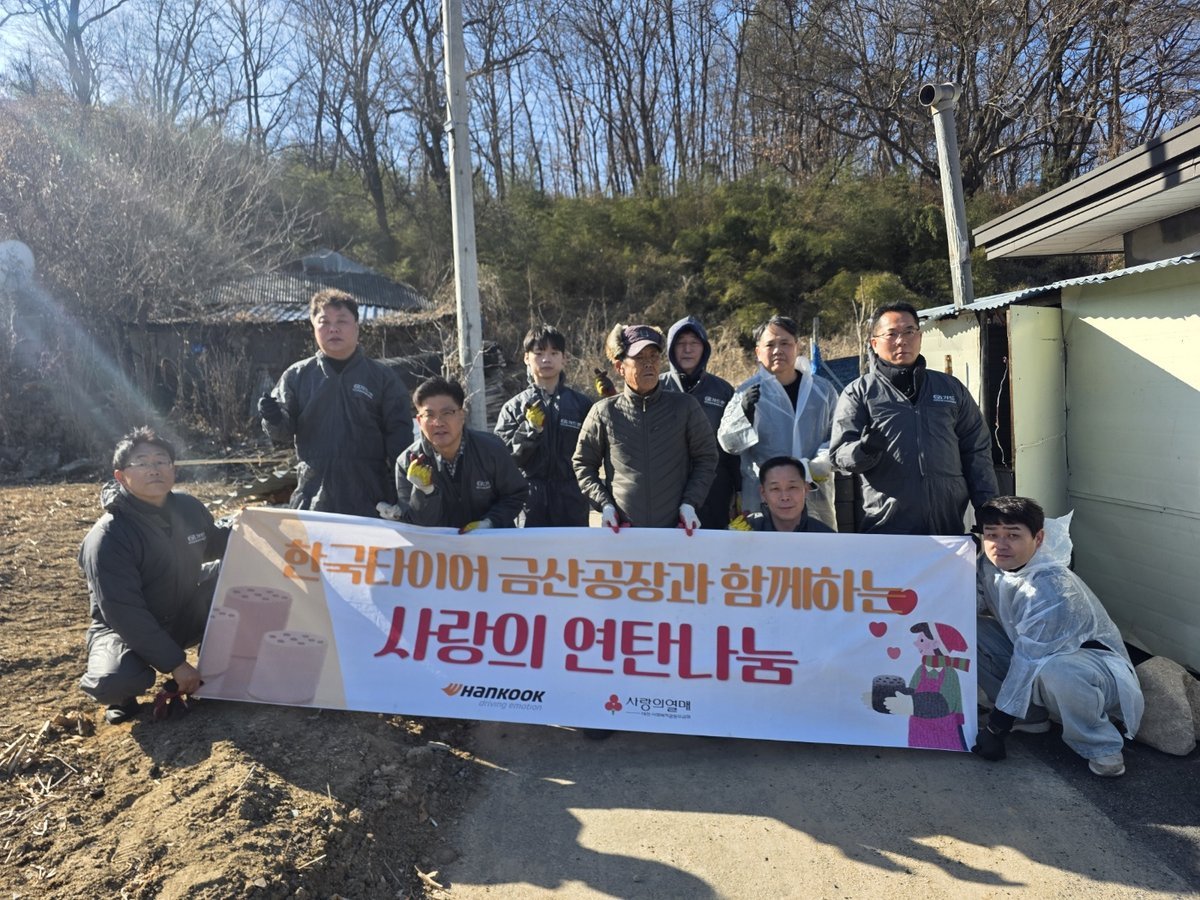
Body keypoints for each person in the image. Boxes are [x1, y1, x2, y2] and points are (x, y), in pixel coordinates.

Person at [972, 496, 1144, 777]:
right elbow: (973, 603)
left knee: (1058, 668)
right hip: (1035, 657)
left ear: (1038, 538)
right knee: (968, 630)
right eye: (992, 534)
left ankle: (1101, 745)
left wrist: (996, 727)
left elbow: (1030, 660)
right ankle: (1030, 717)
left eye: (1013, 535)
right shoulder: (989, 565)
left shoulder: (1052, 588)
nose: (1000, 544)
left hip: (1093, 671)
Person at [78, 428, 230, 724]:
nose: (154, 469)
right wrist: (177, 664)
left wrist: (252, 525)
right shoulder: (109, 535)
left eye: (161, 461)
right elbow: (124, 613)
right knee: (114, 681)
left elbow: (213, 543)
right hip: (125, 629)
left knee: (233, 575)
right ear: (121, 476)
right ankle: (124, 698)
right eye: (142, 462)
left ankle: (217, 669)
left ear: (173, 469)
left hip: (182, 610)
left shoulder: (188, 508)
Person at [829, 301, 997, 535]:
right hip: (887, 528)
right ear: (874, 344)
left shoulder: (950, 388)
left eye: (909, 331)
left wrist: (988, 508)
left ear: (920, 337)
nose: (902, 340)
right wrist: (864, 450)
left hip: (948, 524)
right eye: (891, 334)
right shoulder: (859, 393)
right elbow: (839, 455)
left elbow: (977, 450)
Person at [259, 288, 412, 518]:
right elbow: (281, 433)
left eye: (341, 321)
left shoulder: (382, 378)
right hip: (313, 496)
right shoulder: (297, 376)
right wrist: (272, 417)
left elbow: (400, 441)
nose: (333, 328)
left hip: (372, 498)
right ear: (313, 327)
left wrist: (403, 499)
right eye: (324, 322)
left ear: (357, 326)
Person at [573, 323, 717, 531]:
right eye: (639, 358)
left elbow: (706, 457)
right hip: (623, 533)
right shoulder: (603, 412)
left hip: (676, 532)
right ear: (620, 367)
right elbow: (583, 464)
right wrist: (605, 505)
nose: (649, 363)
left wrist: (690, 503)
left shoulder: (685, 407)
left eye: (653, 356)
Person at [717, 315, 839, 530]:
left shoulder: (822, 391)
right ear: (757, 352)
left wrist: (813, 468)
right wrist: (744, 415)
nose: (777, 350)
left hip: (814, 492)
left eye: (785, 343)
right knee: (765, 549)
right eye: (770, 345)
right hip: (763, 496)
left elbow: (837, 437)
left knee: (817, 546)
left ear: (797, 347)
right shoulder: (747, 392)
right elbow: (729, 444)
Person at [382, 377, 528, 531]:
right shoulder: (407, 462)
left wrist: (490, 522)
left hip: (491, 542)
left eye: (447, 413)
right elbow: (415, 525)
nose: (438, 422)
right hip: (440, 546)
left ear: (462, 415)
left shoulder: (491, 449)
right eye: (429, 415)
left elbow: (516, 494)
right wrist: (424, 492)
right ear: (419, 421)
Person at [494, 325, 593, 526]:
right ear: (526, 358)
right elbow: (504, 462)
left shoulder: (582, 405)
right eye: (539, 353)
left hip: (572, 502)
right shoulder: (513, 408)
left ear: (564, 358)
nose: (546, 359)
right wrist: (530, 431)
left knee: (572, 548)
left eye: (554, 353)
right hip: (530, 502)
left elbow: (594, 457)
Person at [660, 316, 740, 530]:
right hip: (667, 490)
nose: (687, 349)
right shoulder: (656, 388)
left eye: (694, 343)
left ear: (704, 348)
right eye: (680, 343)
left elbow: (733, 448)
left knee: (712, 547)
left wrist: (739, 490)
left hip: (714, 489)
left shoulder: (722, 390)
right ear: (670, 349)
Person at [729, 456, 832, 533]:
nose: (785, 497)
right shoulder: (746, 532)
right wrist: (731, 540)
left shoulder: (825, 537)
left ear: (805, 489)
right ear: (763, 493)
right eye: (775, 489)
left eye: (792, 487)